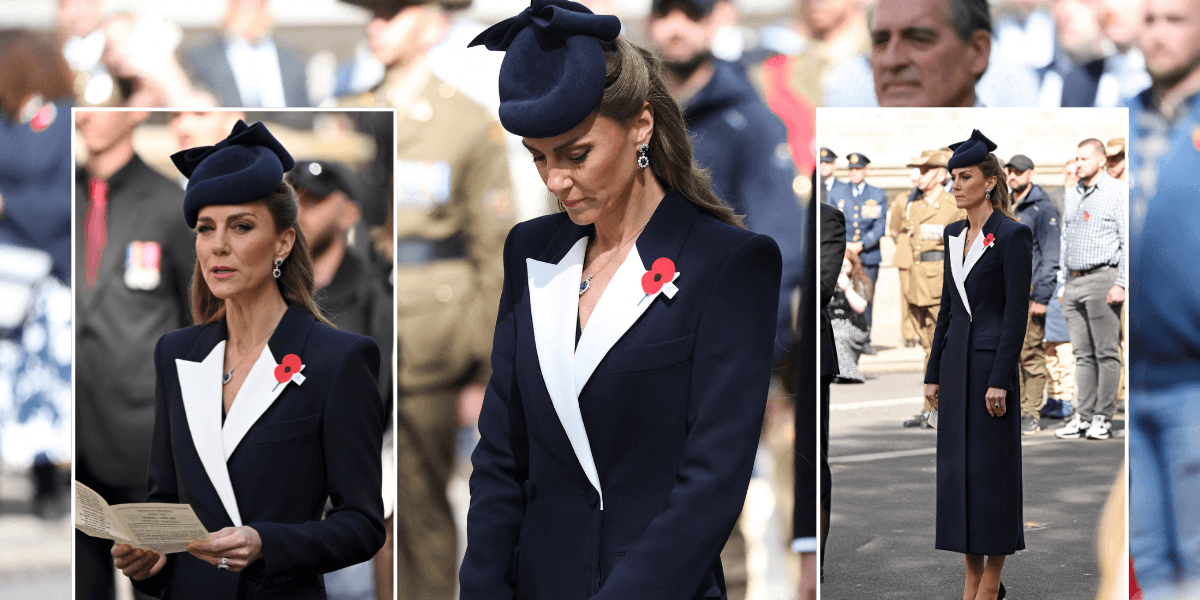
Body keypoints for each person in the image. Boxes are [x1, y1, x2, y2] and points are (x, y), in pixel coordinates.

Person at [458, 3, 782, 598]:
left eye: (576, 154)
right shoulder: (528, 249)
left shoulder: (730, 263)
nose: (555, 180)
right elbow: (501, 457)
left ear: (641, 125)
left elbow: (711, 483)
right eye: (538, 157)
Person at [110, 120, 385, 599]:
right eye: (206, 229)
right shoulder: (175, 353)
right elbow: (165, 504)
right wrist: (148, 565)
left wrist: (267, 544)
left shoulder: (339, 358)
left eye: (241, 226)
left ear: (283, 242)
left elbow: (362, 524)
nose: (218, 244)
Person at [337, 1, 516, 597]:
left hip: (430, 342)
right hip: (349, 328)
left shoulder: (466, 121)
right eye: (373, 14)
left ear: (434, 24)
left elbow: (495, 253)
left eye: (392, 13)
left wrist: (486, 368)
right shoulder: (345, 116)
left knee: (418, 511)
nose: (376, 25)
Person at [74, 107, 195, 600]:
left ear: (136, 111)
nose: (87, 118)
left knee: (157, 585)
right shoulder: (64, 197)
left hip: (147, 440)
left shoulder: (169, 204)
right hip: (78, 438)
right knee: (85, 584)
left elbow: (198, 325)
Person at [924, 130, 1032, 600]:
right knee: (960, 479)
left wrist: (1001, 379)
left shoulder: (1012, 235)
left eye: (965, 177)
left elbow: (1015, 314)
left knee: (994, 479)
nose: (955, 185)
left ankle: (990, 583)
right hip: (954, 368)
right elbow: (947, 309)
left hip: (991, 373)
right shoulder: (952, 234)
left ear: (989, 182)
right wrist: (932, 373)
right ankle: (971, 578)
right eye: (953, 177)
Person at [1128, 0, 1200, 596]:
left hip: (1193, 384)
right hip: (1134, 383)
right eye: (1149, 19)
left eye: (1175, 19)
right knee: (1150, 564)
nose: (1157, 34)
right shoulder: (1124, 116)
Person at [1053, 139, 1125, 441]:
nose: (1078, 164)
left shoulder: (1117, 192)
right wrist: (1062, 282)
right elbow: (1065, 239)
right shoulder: (1072, 194)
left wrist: (1121, 283)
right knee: (1081, 354)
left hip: (1103, 278)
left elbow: (1127, 239)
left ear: (1101, 160)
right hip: (1074, 281)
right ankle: (1082, 416)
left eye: (1084, 159)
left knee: (1105, 353)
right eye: (1076, 158)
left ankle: (1102, 417)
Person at [792, 196, 843, 600]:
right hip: (755, 346)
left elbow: (821, 287)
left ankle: (815, 563)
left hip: (808, 350)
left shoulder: (827, 218)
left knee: (810, 460)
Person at [901, 149, 965, 428]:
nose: (919, 175)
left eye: (925, 170)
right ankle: (932, 410)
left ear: (940, 174)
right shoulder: (913, 205)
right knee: (929, 348)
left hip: (939, 284)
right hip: (917, 284)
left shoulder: (952, 206)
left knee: (942, 349)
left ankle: (940, 410)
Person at [1007, 154, 1059, 435]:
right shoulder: (1003, 205)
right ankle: (1017, 409)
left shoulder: (1043, 208)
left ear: (1031, 174)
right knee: (1009, 355)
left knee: (1029, 353)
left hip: (1029, 292)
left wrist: (1041, 296)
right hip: (1005, 292)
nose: (1013, 176)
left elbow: (1050, 255)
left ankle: (1031, 412)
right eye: (1010, 171)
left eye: (1019, 171)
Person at [182, 0, 309, 107]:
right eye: (241, 4)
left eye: (257, 4)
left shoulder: (294, 60)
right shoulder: (201, 59)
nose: (249, 10)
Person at [827, 152, 885, 354]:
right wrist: (846, 245)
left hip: (868, 254)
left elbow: (880, 225)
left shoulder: (878, 194)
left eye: (858, 169)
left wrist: (861, 244)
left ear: (865, 170)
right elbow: (831, 222)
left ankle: (865, 338)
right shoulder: (837, 193)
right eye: (851, 169)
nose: (854, 172)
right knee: (841, 296)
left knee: (866, 295)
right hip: (843, 255)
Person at [830, 251, 871, 384]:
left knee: (838, 335)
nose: (841, 269)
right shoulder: (826, 280)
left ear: (853, 266)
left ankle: (846, 373)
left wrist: (847, 287)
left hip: (854, 326)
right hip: (832, 324)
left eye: (845, 266)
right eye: (838, 265)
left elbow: (861, 307)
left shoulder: (860, 282)